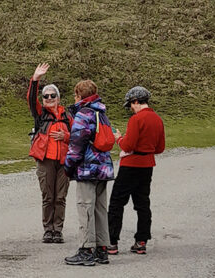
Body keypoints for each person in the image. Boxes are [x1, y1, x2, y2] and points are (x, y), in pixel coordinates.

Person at [107, 86, 165, 255]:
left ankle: (112, 242)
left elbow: (128, 145)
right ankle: (141, 240)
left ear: (136, 102)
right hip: (147, 165)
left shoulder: (136, 120)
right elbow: (160, 148)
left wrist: (119, 139)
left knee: (117, 203)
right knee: (142, 203)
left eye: (131, 104)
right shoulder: (157, 119)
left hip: (130, 165)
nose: (131, 108)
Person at [63, 80, 114, 266]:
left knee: (85, 207)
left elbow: (76, 145)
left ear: (78, 95)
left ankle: (86, 249)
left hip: (87, 168)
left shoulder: (84, 114)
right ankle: (102, 248)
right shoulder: (101, 112)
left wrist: (68, 167)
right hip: (103, 167)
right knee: (100, 209)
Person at [26, 63, 73, 244]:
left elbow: (77, 137)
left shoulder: (67, 116)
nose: (49, 98)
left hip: (63, 161)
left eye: (53, 95)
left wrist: (65, 136)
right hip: (45, 160)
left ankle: (58, 230)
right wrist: (35, 79)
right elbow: (31, 99)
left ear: (58, 98)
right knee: (48, 197)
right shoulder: (40, 114)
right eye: (46, 96)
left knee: (60, 197)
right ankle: (48, 230)